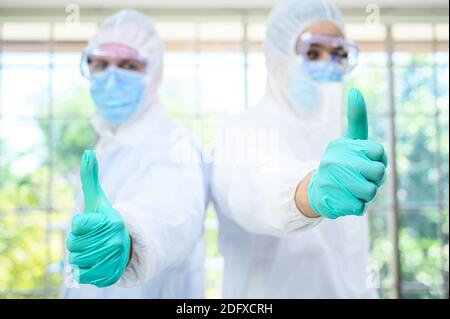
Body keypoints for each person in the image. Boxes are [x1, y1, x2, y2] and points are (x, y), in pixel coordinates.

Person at [211, 0, 387, 298]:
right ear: (276, 58)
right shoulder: (242, 130)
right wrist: (308, 190)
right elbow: (253, 188)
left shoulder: (344, 142)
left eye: (338, 53)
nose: (327, 64)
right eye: (313, 52)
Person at [61, 9, 206, 298]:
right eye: (101, 63)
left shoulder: (173, 144)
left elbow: (173, 209)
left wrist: (130, 236)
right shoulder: (105, 144)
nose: (112, 76)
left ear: (153, 74)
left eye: (128, 65)